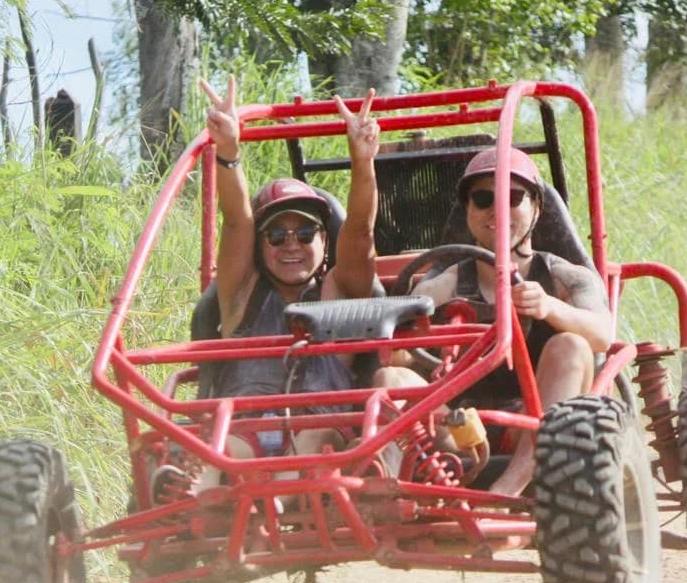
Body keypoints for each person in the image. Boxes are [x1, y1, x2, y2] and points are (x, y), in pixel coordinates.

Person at [375, 147, 614, 497]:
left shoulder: (565, 276)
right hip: (456, 425)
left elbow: (603, 335)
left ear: (536, 207)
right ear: (468, 212)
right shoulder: (444, 283)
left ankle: (509, 488)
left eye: (512, 197)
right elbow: (394, 349)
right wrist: (423, 340)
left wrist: (548, 308)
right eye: (483, 198)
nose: (496, 209)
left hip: (537, 422)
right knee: (388, 377)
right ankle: (401, 493)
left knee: (571, 346)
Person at [181, 75, 379, 492]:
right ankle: (191, 526)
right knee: (220, 454)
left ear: (326, 243)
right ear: (259, 245)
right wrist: (230, 152)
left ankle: (270, 514)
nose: (292, 245)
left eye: (305, 234)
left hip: (322, 438)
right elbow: (236, 221)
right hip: (242, 433)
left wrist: (363, 162)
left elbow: (359, 231)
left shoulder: (339, 290)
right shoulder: (239, 296)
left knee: (312, 441)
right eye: (276, 235)